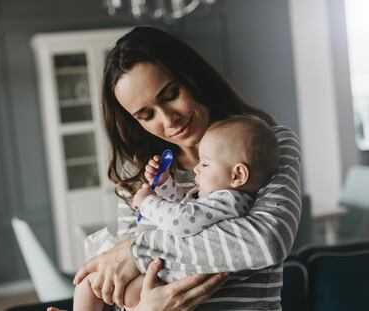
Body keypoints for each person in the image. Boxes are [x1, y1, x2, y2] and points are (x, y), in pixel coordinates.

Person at [71, 25, 301, 311]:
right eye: (146, 115)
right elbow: (125, 285)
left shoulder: (267, 145)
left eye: (170, 94)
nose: (169, 119)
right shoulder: (141, 176)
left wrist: (137, 251)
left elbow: (266, 241)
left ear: (192, 76)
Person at [73, 116, 280, 310]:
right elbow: (184, 208)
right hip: (166, 278)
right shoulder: (220, 201)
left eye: (205, 164)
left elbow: (181, 221)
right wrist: (164, 185)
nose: (197, 169)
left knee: (90, 284)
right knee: (98, 286)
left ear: (238, 174)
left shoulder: (229, 201)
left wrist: (147, 203)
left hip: (169, 281)